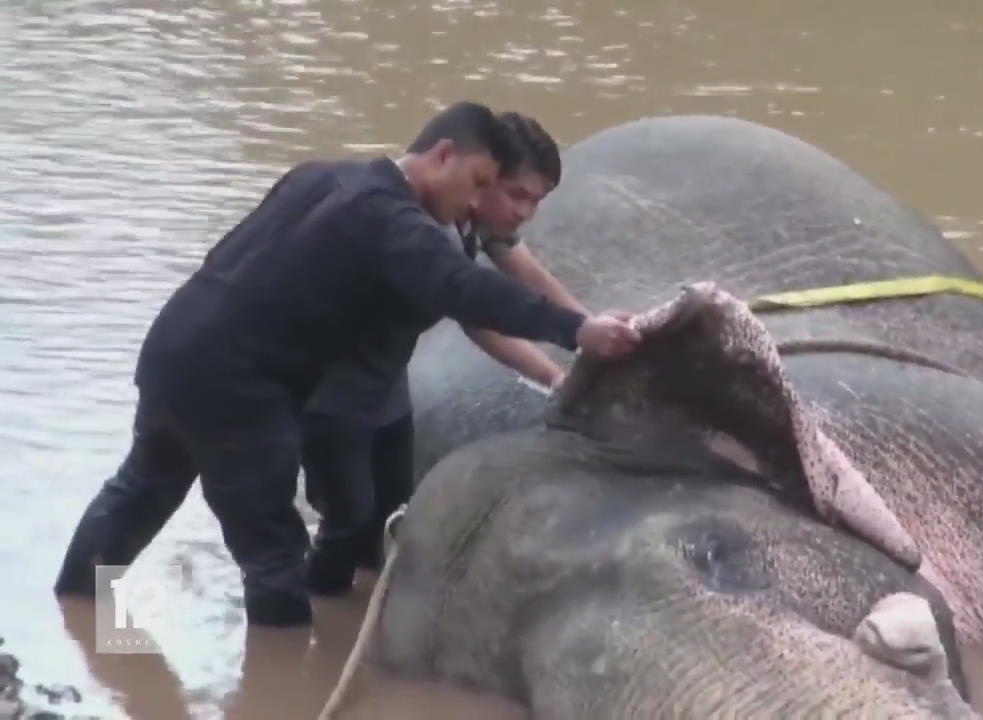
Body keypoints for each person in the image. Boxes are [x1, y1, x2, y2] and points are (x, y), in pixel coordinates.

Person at [52, 101, 641, 627]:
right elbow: (467, 293)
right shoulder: (391, 221)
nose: (474, 203)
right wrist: (577, 330)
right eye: (479, 183)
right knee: (274, 554)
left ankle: (85, 623)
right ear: (442, 157)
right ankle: (278, 683)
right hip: (241, 389)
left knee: (141, 492)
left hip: (176, 350)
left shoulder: (325, 175)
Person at [300, 110, 588, 595]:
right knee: (344, 521)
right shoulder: (423, 232)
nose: (522, 212)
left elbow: (525, 270)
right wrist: (558, 375)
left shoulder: (470, 220)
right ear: (483, 176)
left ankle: (356, 610)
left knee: (389, 508)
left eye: (535, 202)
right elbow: (479, 320)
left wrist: (592, 328)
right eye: (515, 195)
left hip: (384, 384)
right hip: (333, 391)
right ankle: (302, 630)